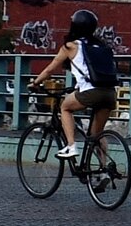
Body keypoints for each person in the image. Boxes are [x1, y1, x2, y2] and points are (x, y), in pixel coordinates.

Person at [34, 9, 119, 161]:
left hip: (91, 93)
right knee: (96, 135)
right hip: (110, 93)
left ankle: (71, 146)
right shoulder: (102, 46)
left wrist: (35, 83)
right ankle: (104, 170)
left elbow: (49, 70)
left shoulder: (71, 46)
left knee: (65, 108)